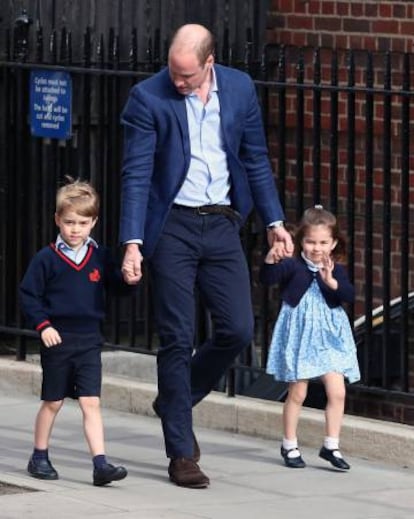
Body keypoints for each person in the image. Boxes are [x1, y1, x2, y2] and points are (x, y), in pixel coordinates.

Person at [119, 23, 293, 488]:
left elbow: (255, 159)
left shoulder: (238, 89)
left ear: (209, 63)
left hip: (222, 224)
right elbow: (136, 174)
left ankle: (176, 399)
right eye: (173, 74)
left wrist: (274, 223)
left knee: (237, 329)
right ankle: (181, 452)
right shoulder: (147, 97)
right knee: (176, 338)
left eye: (187, 77)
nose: (178, 83)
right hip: (172, 225)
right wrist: (132, 241)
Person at [20, 177, 134, 486]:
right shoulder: (46, 259)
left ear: (93, 222)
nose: (75, 229)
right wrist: (43, 325)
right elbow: (28, 295)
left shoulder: (100, 256)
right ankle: (39, 456)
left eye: (83, 222)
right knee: (53, 401)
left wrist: (128, 279)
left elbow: (116, 287)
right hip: (57, 339)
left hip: (89, 341)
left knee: (91, 402)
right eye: (69, 221)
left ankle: (100, 464)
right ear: (57, 219)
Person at [261, 205, 360, 471]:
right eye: (311, 242)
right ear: (301, 241)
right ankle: (289, 444)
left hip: (330, 337)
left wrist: (331, 282)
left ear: (334, 242)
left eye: (324, 242)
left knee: (337, 392)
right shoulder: (293, 265)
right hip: (300, 335)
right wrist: (271, 259)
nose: (317, 248)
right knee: (298, 392)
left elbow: (349, 295)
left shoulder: (335, 269)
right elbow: (267, 278)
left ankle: (331, 445)